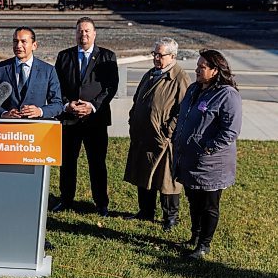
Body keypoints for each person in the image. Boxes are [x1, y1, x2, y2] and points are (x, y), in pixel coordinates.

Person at [173, 49, 242, 259]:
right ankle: (195, 235)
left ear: (215, 70)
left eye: (202, 67)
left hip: (212, 163)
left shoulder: (227, 95)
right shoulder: (194, 89)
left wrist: (208, 147)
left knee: (208, 205)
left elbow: (231, 131)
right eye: (198, 65)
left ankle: (204, 245)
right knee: (193, 199)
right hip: (189, 159)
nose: (197, 70)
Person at [52, 17, 119, 217]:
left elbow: (110, 87)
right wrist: (67, 104)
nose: (84, 35)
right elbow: (56, 86)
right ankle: (66, 199)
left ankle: (101, 203)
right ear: (75, 34)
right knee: (67, 162)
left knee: (97, 162)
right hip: (69, 119)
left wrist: (92, 106)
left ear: (94, 33)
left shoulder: (107, 56)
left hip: (95, 121)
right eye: (80, 31)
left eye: (88, 31)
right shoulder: (64, 56)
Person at [124, 37, 191, 231]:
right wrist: (133, 119)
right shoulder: (151, 74)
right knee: (143, 174)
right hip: (143, 136)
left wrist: (168, 131)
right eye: (154, 54)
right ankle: (145, 211)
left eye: (160, 55)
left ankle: (170, 217)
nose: (156, 58)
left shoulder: (180, 78)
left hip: (163, 140)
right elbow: (138, 100)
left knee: (166, 180)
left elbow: (183, 110)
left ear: (172, 56)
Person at [0, 26, 62, 119]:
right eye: (15, 41)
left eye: (23, 42)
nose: (18, 46)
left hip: (36, 128)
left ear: (34, 45)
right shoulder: (0, 69)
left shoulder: (48, 71)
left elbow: (57, 104)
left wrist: (40, 111)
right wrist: (4, 113)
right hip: (6, 129)